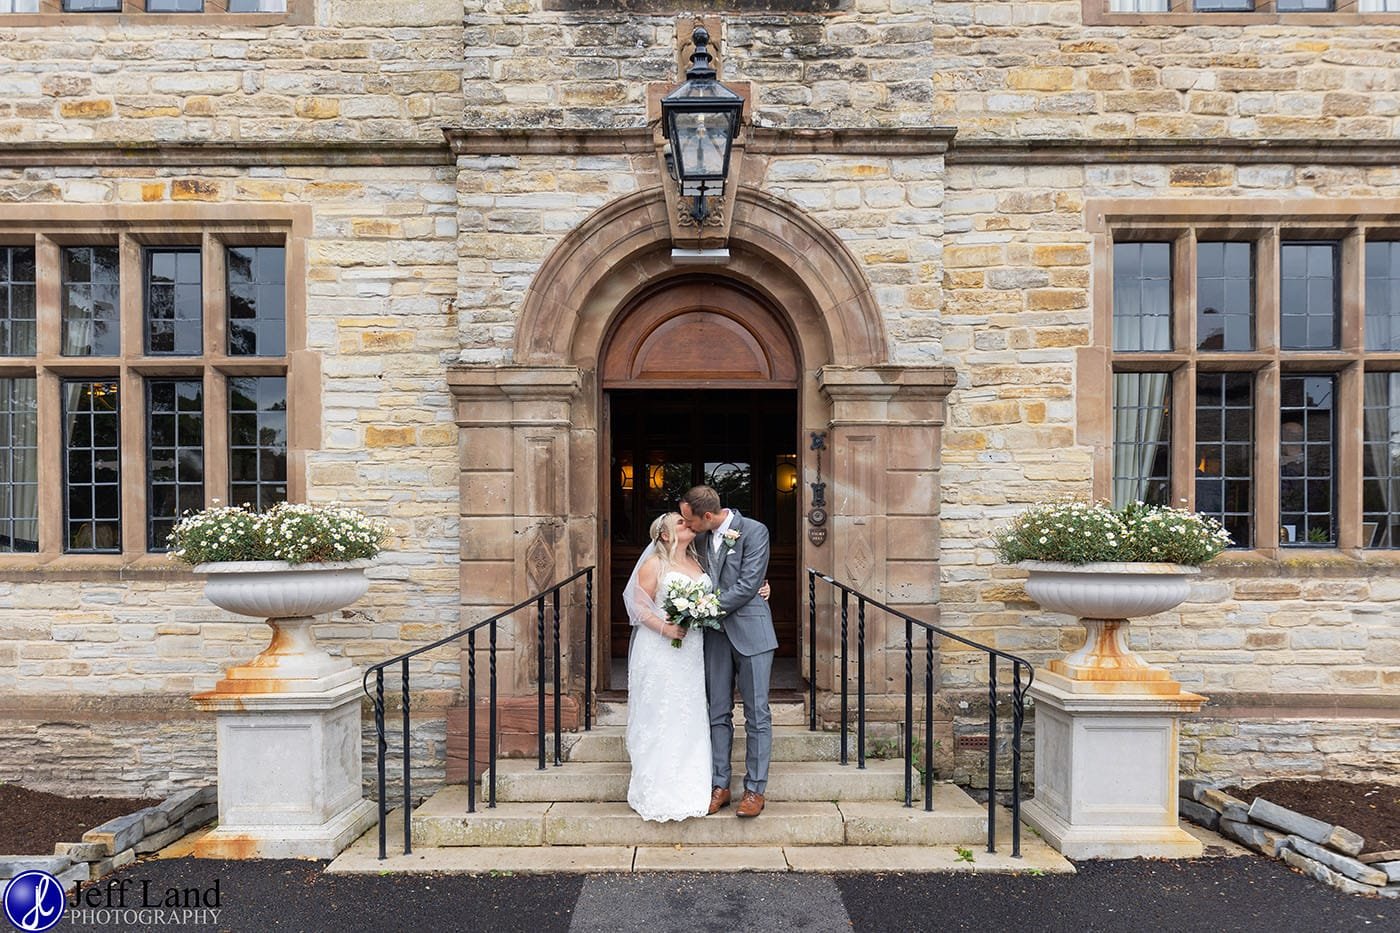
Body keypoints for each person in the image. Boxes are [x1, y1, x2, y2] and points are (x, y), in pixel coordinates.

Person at [679, 484, 777, 819]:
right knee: (717, 712)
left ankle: (755, 789)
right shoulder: (701, 539)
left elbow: (750, 583)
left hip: (752, 633)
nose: (687, 526)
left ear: (707, 516)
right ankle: (720, 784)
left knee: (757, 715)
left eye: (690, 521)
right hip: (715, 636)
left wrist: (705, 607)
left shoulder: (754, 531)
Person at [622, 512, 713, 822]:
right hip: (661, 650)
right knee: (660, 714)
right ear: (663, 535)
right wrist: (667, 629)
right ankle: (657, 791)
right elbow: (637, 609)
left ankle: (690, 786)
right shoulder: (654, 565)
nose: (687, 523)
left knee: (687, 714)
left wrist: (760, 589)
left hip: (691, 652)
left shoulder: (701, 564)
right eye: (679, 522)